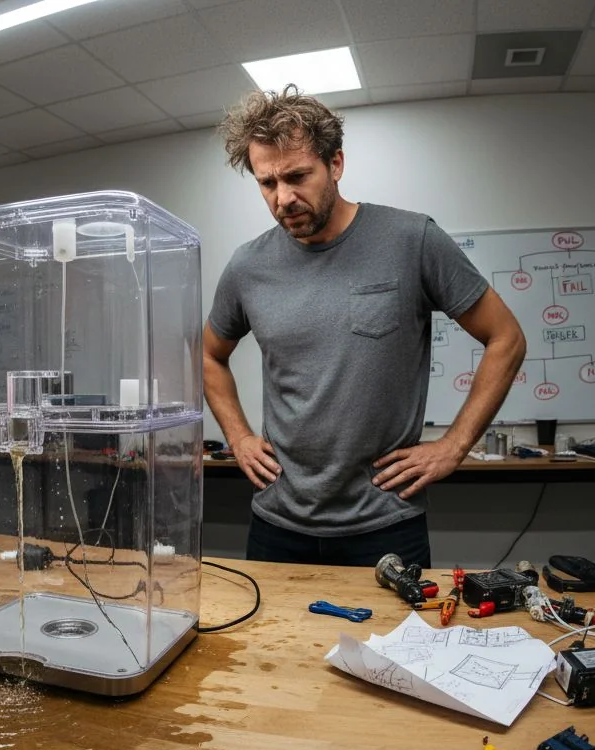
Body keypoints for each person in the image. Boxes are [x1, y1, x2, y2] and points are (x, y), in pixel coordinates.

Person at [204, 86, 526, 568]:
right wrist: (239, 438)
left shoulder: (411, 239)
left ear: (335, 164)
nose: (283, 198)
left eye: (297, 176)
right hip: (278, 522)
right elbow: (208, 355)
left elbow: (506, 338)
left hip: (385, 522)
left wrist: (454, 447)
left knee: (391, 647)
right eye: (267, 183)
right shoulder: (248, 266)